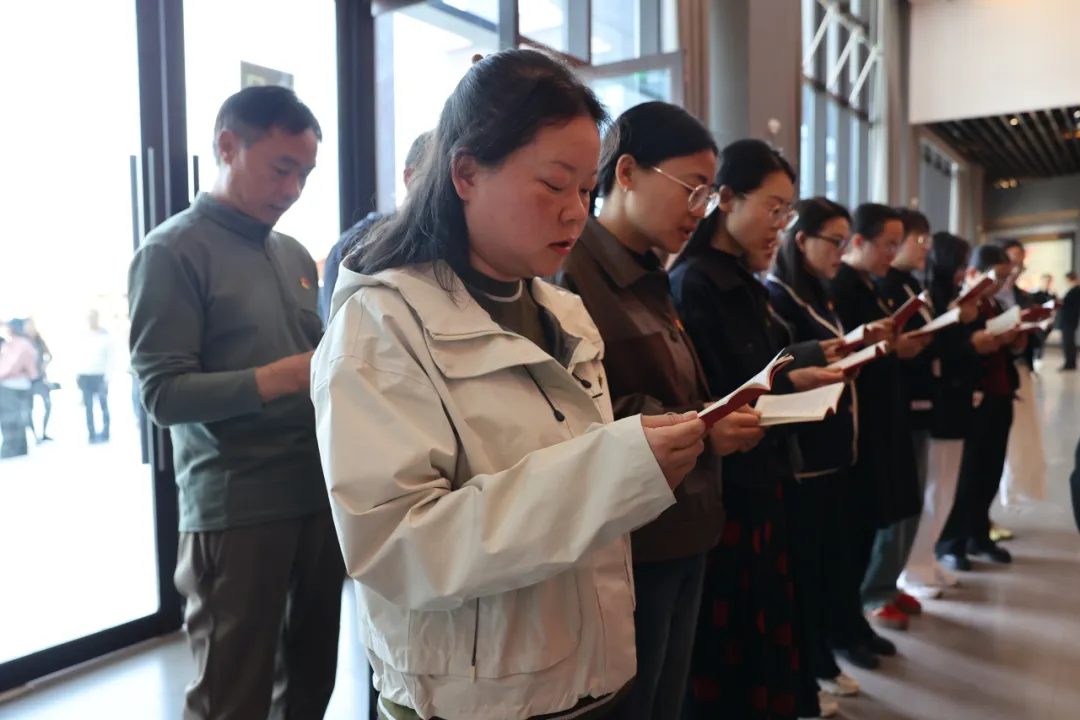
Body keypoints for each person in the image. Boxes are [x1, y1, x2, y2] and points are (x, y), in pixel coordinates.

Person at [314, 49, 708, 720]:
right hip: (475, 700)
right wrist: (616, 469)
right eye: (553, 185)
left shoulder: (564, 313)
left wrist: (638, 455)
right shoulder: (381, 325)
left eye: (586, 190)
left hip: (591, 673)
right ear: (466, 172)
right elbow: (400, 548)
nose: (576, 213)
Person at [128, 85, 344, 720]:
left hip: (317, 494)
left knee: (311, 682)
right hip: (236, 505)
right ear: (227, 146)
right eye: (281, 168)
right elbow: (162, 395)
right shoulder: (171, 252)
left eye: (305, 174)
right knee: (231, 695)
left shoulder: (294, 253)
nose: (294, 188)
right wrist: (281, 377)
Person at [555, 102, 764, 720]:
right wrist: (701, 426)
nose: (701, 210)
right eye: (692, 189)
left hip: (685, 521)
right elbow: (577, 410)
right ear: (625, 173)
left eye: (709, 194)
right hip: (632, 540)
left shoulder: (649, 272)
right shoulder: (573, 272)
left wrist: (711, 415)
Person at [670, 140, 846, 720]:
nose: (781, 225)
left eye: (787, 212)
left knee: (762, 630)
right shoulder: (694, 281)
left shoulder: (744, 280)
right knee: (730, 647)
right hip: (727, 488)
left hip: (761, 473)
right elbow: (709, 389)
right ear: (726, 199)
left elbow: (755, 370)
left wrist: (794, 377)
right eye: (773, 209)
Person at [765, 197, 862, 702]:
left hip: (833, 449)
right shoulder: (775, 294)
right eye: (835, 242)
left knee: (830, 568)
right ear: (801, 240)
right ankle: (806, 675)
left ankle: (822, 659)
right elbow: (773, 370)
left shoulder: (820, 294)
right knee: (804, 575)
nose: (842, 252)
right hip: (802, 457)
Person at [826, 203, 921, 667]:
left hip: (883, 419)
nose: (894, 253)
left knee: (870, 529)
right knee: (852, 536)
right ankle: (845, 630)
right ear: (858, 243)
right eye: (888, 244)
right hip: (858, 427)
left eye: (898, 244)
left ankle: (855, 625)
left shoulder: (870, 285)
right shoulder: (839, 288)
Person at [899, 232, 985, 597]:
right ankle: (915, 567)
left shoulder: (948, 296)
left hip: (955, 401)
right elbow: (937, 348)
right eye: (960, 263)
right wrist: (963, 330)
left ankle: (928, 557)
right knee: (932, 488)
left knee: (947, 487)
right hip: (936, 402)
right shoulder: (927, 295)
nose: (964, 271)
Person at [936, 244, 1026, 570]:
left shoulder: (995, 304)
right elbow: (950, 350)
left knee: (990, 469)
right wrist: (977, 344)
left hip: (1000, 393)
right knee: (967, 475)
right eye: (998, 276)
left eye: (1007, 277)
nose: (1003, 283)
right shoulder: (961, 305)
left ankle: (979, 534)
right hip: (973, 396)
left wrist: (1015, 342)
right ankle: (952, 543)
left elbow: (1005, 349)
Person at [866, 208, 935, 610]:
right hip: (893, 404)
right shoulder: (878, 285)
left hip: (916, 399)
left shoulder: (907, 285)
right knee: (893, 504)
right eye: (915, 240)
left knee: (913, 498)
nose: (921, 248)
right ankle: (877, 588)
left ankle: (889, 582)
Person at [319, 131, 432, 321]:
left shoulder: (463, 248)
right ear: (409, 177)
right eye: (435, 178)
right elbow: (337, 330)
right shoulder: (355, 248)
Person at [0, 319, 37, 459]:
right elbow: (32, 369)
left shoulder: (15, 345)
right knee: (19, 417)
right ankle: (21, 449)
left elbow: (10, 365)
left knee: (9, 418)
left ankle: (8, 450)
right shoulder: (27, 344)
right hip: (23, 383)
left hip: (10, 384)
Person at [74, 309, 112, 444]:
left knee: (103, 405)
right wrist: (77, 374)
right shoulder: (82, 336)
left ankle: (106, 433)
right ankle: (91, 434)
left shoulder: (105, 336)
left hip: (100, 375)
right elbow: (77, 356)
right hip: (85, 375)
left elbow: (111, 358)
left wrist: (108, 377)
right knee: (88, 407)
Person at [23, 318, 53, 443]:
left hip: (40, 378)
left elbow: (49, 355)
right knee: (29, 409)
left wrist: (44, 365)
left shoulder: (39, 341)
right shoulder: (23, 341)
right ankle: (35, 435)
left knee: (47, 405)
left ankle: (44, 433)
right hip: (28, 380)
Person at [1060, 271, 1080, 371]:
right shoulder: (1075, 289)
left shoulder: (1076, 290)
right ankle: (1070, 363)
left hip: (1069, 320)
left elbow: (1070, 304)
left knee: (1068, 342)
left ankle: (1070, 364)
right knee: (1069, 342)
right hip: (1070, 319)